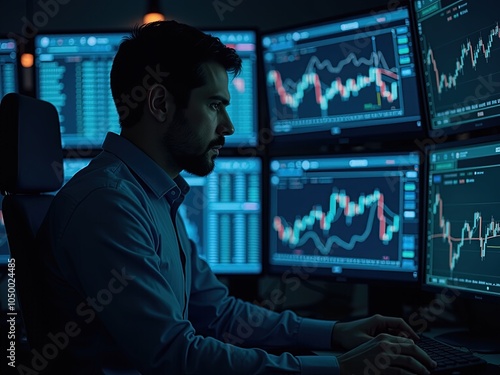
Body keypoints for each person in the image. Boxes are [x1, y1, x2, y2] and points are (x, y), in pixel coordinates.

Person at [37, 20, 436, 374]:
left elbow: (218, 312)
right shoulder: (109, 203)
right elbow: (174, 356)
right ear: (160, 103)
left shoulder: (153, 194)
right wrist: (339, 368)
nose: (227, 126)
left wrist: (334, 334)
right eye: (215, 105)